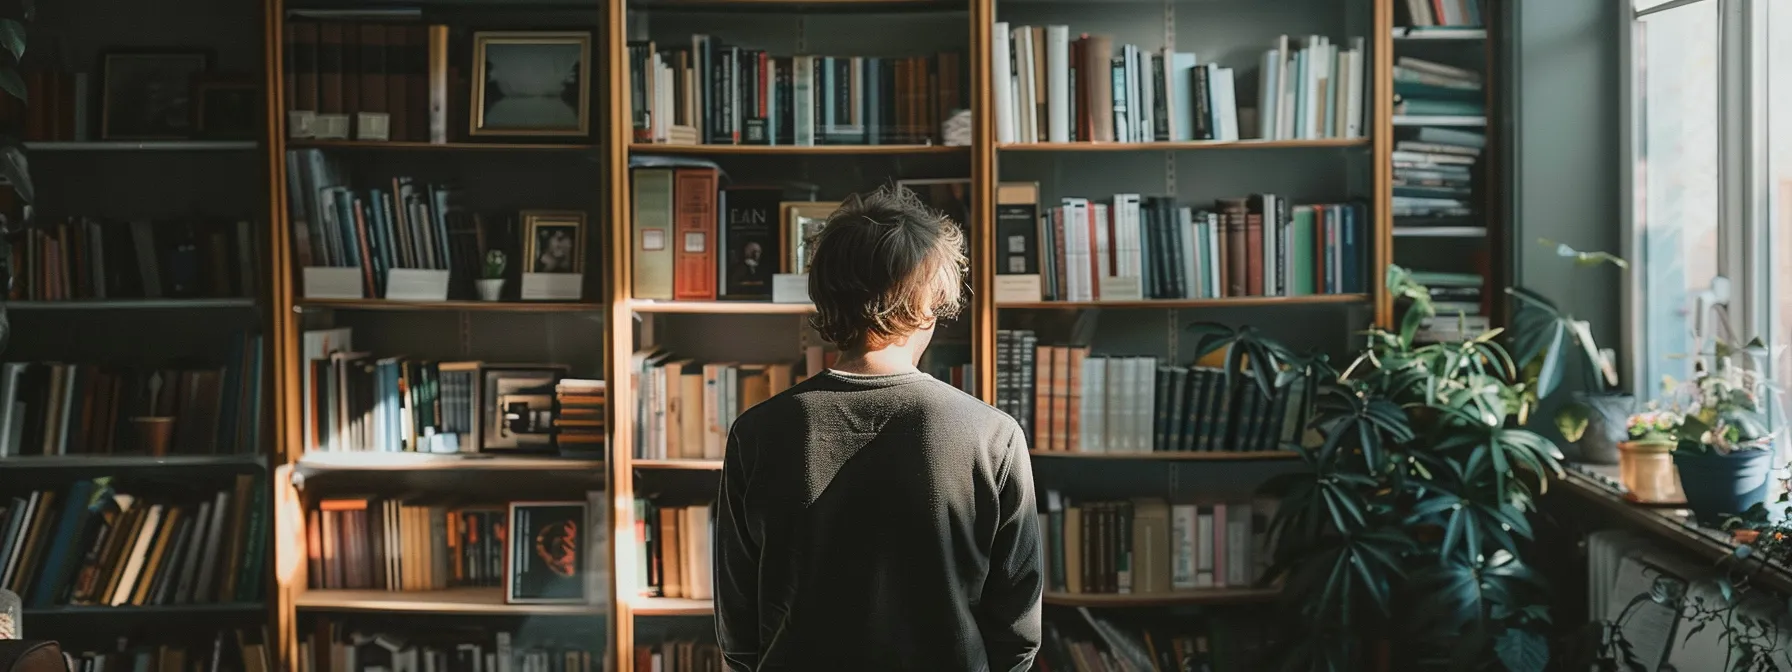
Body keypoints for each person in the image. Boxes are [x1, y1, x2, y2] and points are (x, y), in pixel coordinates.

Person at [714, 185, 1043, 672]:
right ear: (931, 304)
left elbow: (738, 632)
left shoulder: (756, 434)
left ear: (825, 296)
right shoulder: (993, 436)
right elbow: (1017, 635)